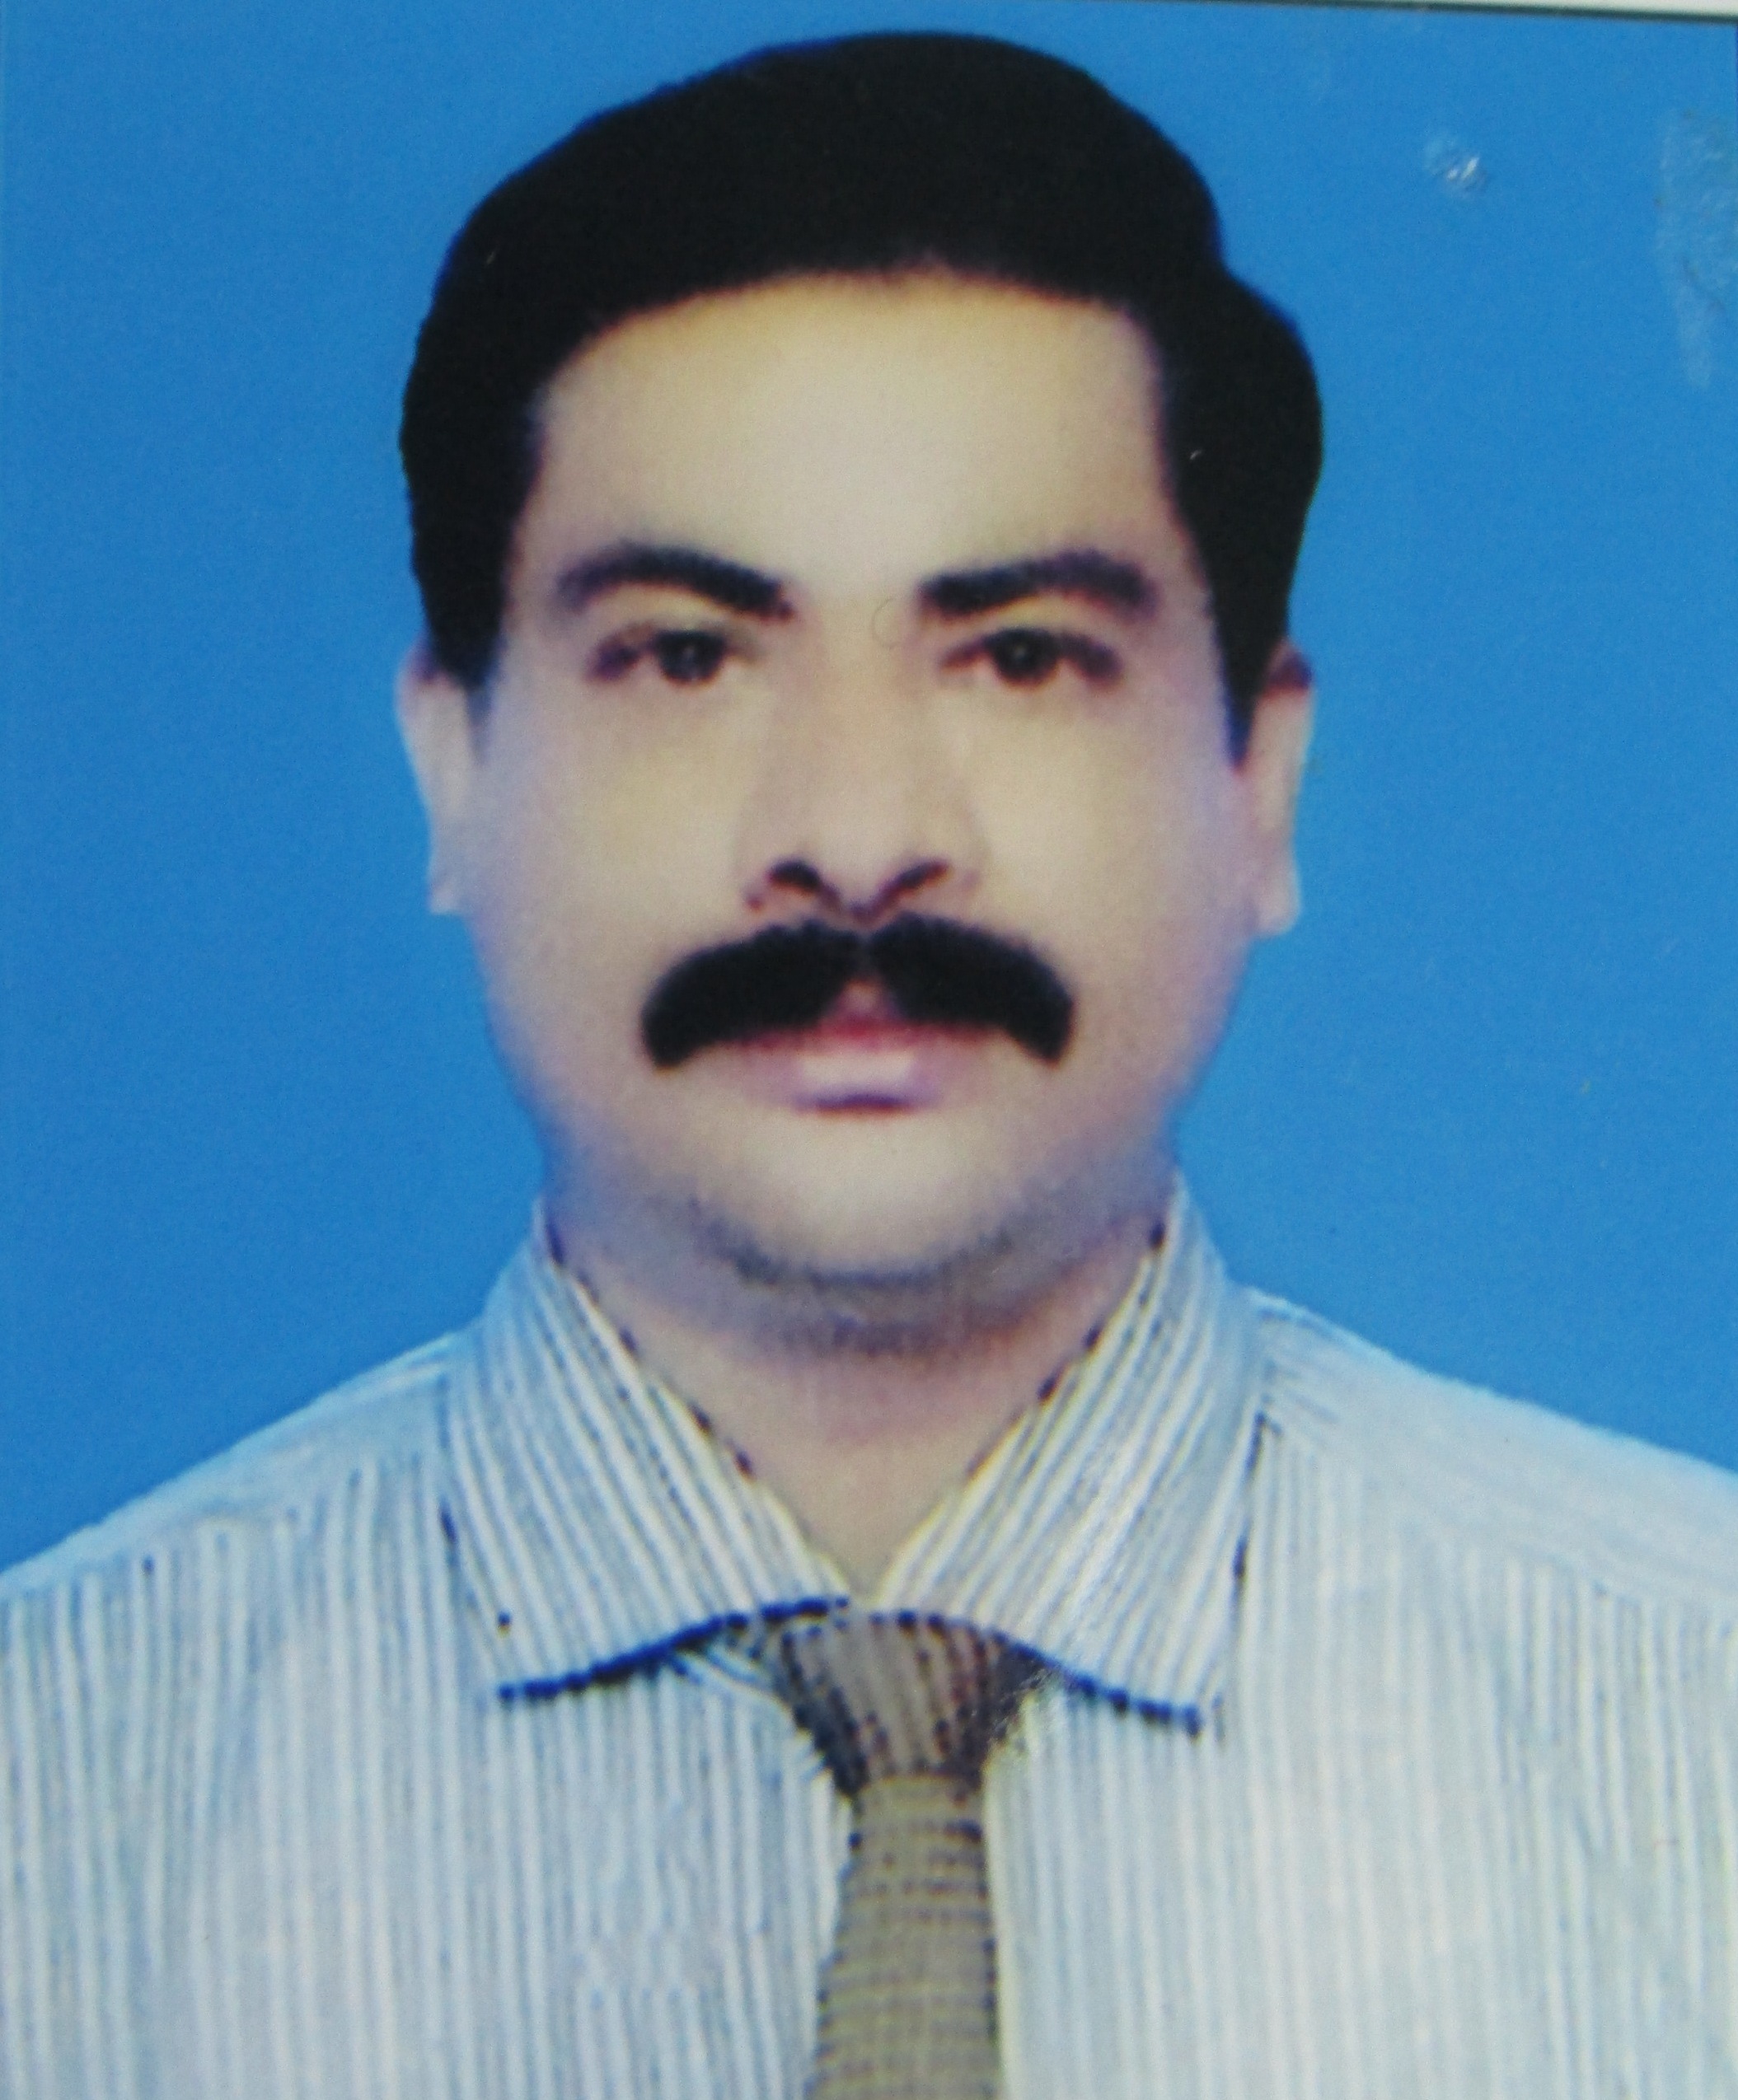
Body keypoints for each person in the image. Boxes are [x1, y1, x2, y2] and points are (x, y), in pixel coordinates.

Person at [2, 30, 1735, 2100]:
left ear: (1255, 783)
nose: (850, 834)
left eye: (1018, 656)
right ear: (452, 766)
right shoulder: (52, 1788)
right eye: (686, 654)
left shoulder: (1691, 1721)